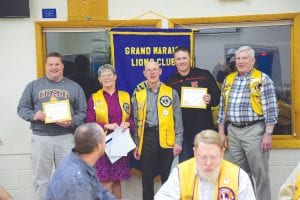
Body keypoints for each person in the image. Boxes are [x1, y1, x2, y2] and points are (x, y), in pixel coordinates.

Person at [17, 52, 87, 200]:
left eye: (57, 64)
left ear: (62, 66)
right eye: (51, 64)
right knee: (41, 179)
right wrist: (34, 115)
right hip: (41, 138)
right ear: (46, 66)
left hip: (66, 138)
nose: (54, 67)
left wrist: (72, 121)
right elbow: (22, 108)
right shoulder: (33, 86)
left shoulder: (74, 87)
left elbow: (83, 112)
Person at [217, 46, 279, 200]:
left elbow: (271, 109)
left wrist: (268, 133)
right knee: (238, 175)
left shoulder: (263, 80)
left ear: (253, 61)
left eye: (245, 58)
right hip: (233, 132)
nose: (241, 61)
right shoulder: (228, 79)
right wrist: (221, 132)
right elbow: (222, 108)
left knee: (260, 175)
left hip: (254, 131)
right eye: (238, 58)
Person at [132, 59, 184, 200]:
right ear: (144, 73)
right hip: (147, 138)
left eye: (155, 69)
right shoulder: (138, 95)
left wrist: (178, 142)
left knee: (167, 176)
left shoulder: (171, 92)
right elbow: (136, 122)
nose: (152, 72)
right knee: (147, 177)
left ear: (160, 71)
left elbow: (178, 120)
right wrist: (137, 144)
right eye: (149, 70)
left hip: (167, 138)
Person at [154, 129, 256, 200]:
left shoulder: (238, 176)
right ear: (194, 152)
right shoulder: (181, 172)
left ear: (222, 153)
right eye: (203, 157)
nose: (208, 163)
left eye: (213, 157)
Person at [86, 64, 134, 199]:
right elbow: (89, 122)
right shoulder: (94, 98)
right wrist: (106, 125)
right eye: (103, 75)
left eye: (109, 74)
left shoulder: (125, 96)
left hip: (120, 144)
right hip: (102, 145)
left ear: (115, 77)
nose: (107, 77)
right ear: (99, 79)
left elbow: (132, 118)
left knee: (117, 181)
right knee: (105, 182)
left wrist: (128, 123)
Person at [167, 46, 220, 163]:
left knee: (208, 166)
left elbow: (217, 98)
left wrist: (210, 98)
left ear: (190, 59)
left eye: (184, 58)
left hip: (205, 133)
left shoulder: (204, 74)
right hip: (184, 136)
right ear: (174, 61)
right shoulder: (170, 82)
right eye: (178, 59)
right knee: (187, 170)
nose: (182, 61)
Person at [46, 122, 115, 200]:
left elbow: (100, 192)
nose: (105, 145)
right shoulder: (79, 182)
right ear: (98, 146)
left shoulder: (74, 160)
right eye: (104, 142)